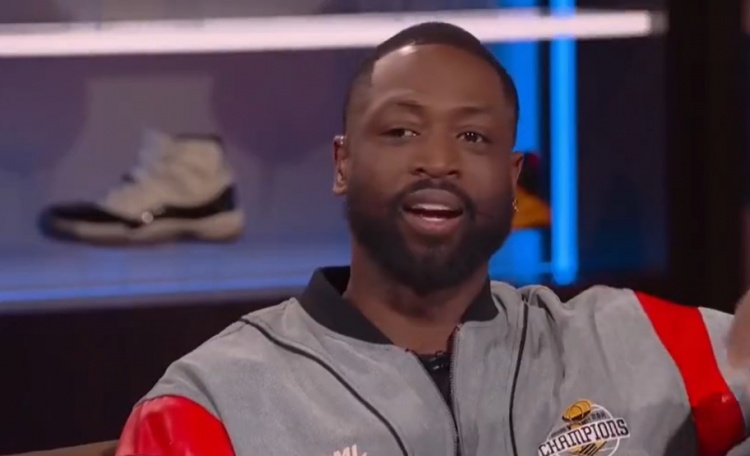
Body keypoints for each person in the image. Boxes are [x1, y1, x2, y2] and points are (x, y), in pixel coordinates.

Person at [115, 22, 750, 456]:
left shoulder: (639, 342)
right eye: (402, 132)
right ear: (342, 164)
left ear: (511, 179)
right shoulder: (212, 407)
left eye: (473, 137)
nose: (439, 162)